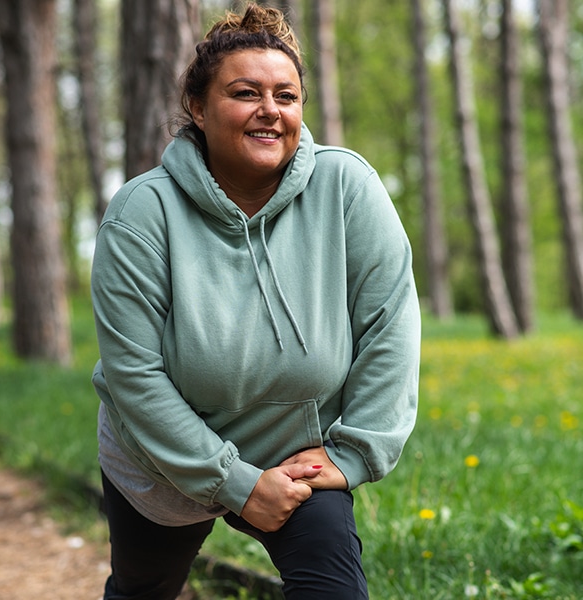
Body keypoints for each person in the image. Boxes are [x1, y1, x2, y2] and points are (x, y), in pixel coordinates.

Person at [91, 3, 420, 599]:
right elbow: (134, 374)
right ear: (198, 107)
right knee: (143, 588)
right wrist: (235, 483)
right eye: (246, 93)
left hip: (296, 459)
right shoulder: (142, 214)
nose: (270, 110)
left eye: (286, 96)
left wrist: (355, 454)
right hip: (165, 458)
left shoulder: (347, 189)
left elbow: (390, 325)